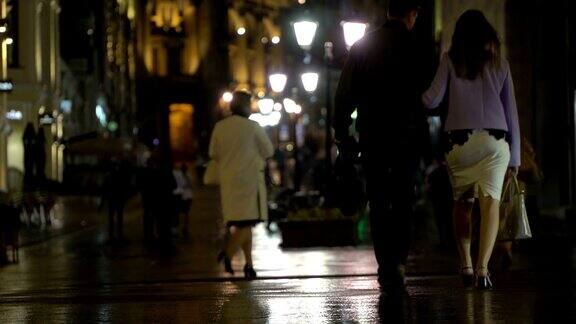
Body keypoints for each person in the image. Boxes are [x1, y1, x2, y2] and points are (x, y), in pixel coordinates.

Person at [422, 10, 521, 289]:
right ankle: (482, 270)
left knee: (462, 203)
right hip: (495, 141)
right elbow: (511, 112)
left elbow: (431, 100)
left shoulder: (449, 62)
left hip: (459, 141)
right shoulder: (500, 64)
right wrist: (515, 157)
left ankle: (465, 262)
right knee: (490, 204)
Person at [334, 0, 427, 291]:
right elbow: (431, 96)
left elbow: (344, 95)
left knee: (378, 201)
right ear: (411, 15)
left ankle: (384, 263)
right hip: (407, 137)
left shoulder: (363, 47)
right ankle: (398, 260)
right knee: (403, 199)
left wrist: (343, 135)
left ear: (388, 12)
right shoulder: (418, 47)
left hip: (373, 137)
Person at [209, 91, 274, 279]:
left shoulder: (220, 127)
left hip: (229, 183)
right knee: (248, 222)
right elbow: (268, 150)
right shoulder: (252, 127)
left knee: (242, 223)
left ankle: (249, 265)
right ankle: (227, 255)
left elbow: (213, 152)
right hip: (250, 182)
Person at [173, 164, 194, 238]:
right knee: (184, 213)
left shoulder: (181, 175)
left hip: (185, 195)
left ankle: (184, 227)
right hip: (185, 195)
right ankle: (184, 227)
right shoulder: (185, 175)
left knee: (183, 212)